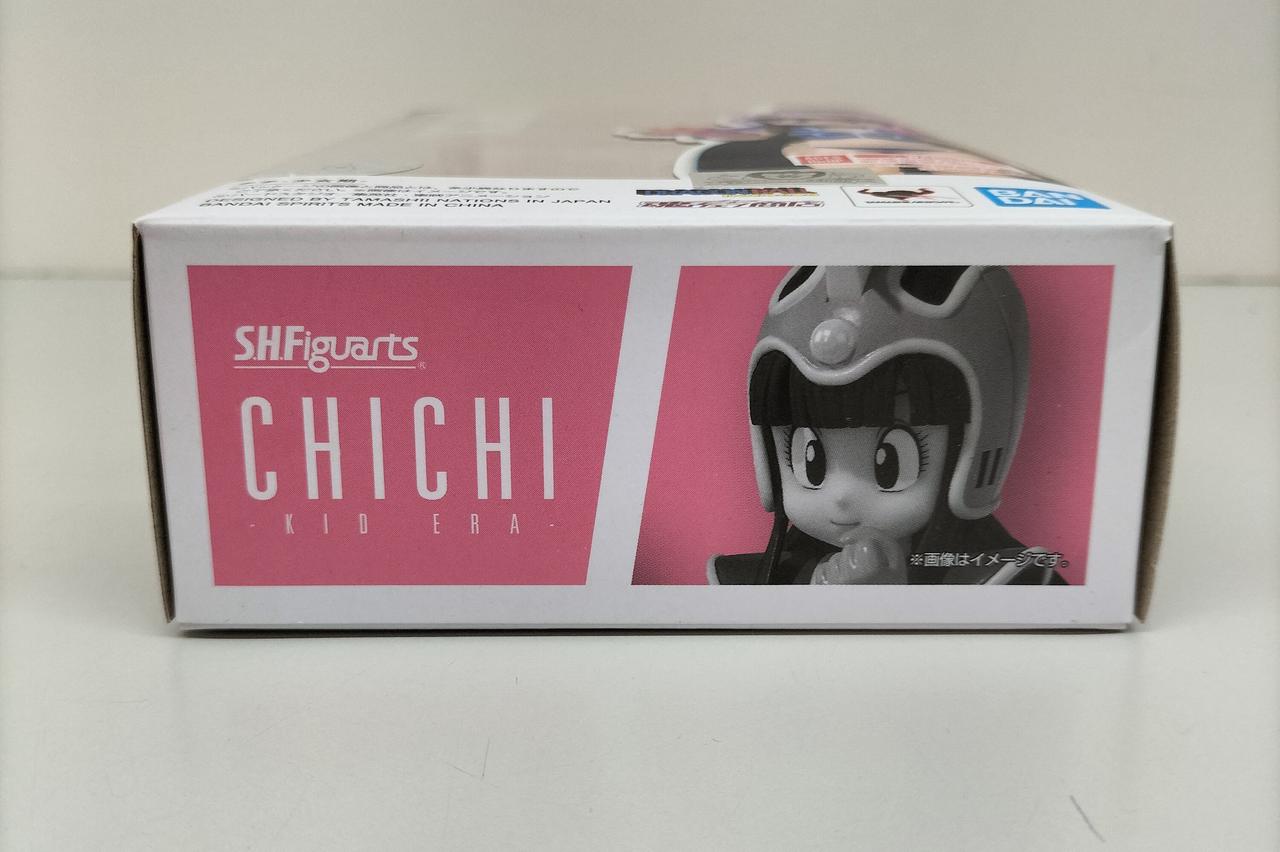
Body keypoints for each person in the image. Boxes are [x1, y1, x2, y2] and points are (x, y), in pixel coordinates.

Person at [709, 265, 1063, 585]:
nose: (842, 497)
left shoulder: (1006, 580)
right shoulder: (754, 580)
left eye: (889, 464)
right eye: (810, 461)